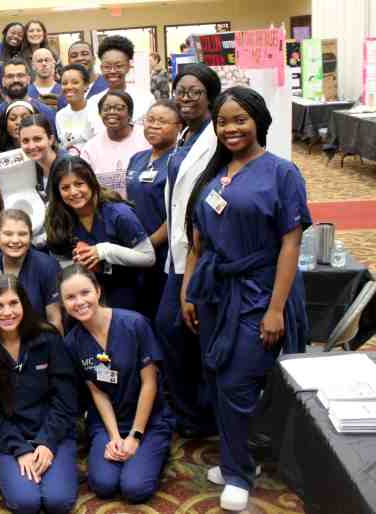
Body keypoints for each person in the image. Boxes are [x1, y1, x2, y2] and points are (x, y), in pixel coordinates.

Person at [182, 87, 310, 512]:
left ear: (258, 121)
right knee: (218, 380)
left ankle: (239, 473)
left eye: (240, 119)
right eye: (222, 121)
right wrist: (188, 292)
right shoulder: (216, 174)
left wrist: (276, 309)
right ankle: (238, 459)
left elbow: (290, 245)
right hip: (216, 294)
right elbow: (198, 242)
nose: (230, 128)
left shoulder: (281, 172)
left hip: (259, 292)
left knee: (239, 382)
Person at [0, 274, 79, 514]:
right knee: (26, 503)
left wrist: (47, 442)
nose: (7, 312)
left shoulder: (47, 338)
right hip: (8, 438)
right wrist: (20, 449)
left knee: (58, 502)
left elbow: (66, 398)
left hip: (53, 432)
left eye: (13, 303)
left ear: (24, 304)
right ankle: (4, 467)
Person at [59, 264, 173, 503]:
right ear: (63, 303)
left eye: (85, 293)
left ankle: (155, 449)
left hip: (148, 422)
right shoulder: (72, 343)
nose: (79, 302)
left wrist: (135, 436)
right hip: (108, 421)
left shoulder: (135, 324)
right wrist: (114, 437)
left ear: (98, 291)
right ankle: (122, 447)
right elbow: (97, 392)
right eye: (70, 297)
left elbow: (149, 384)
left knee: (135, 488)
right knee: (103, 485)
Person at [155, 63, 220, 439]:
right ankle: (191, 414)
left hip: (200, 254)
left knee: (185, 329)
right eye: (180, 90)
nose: (185, 98)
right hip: (178, 252)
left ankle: (202, 416)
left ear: (210, 96)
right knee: (174, 330)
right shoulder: (185, 135)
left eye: (195, 92)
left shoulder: (215, 137)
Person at [45, 155, 154, 311]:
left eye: (79, 184)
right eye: (65, 188)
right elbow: (59, 258)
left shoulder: (118, 214)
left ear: (91, 183)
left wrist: (104, 251)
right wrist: (82, 265)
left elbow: (148, 257)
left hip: (129, 293)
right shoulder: (59, 217)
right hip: (86, 298)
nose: (73, 192)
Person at [126, 100, 183, 321]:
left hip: (163, 253)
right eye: (150, 120)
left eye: (162, 121)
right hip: (135, 252)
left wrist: (148, 244)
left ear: (179, 126)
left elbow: (177, 214)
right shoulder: (137, 158)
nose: (154, 126)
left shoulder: (179, 161)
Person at [0, 209, 62, 332]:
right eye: (8, 234)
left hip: (38, 340)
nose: (15, 240)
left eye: (22, 234)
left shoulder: (47, 266)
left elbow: (54, 319)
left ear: (31, 236)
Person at [82, 90, 150, 198]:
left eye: (119, 108)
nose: (112, 112)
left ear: (130, 113)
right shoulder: (90, 148)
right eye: (106, 108)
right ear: (100, 114)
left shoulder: (147, 137)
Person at [87, 35, 155, 123]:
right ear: (101, 68)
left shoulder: (145, 99)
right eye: (107, 66)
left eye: (118, 66)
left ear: (129, 67)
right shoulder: (93, 102)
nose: (112, 71)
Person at [0, 58, 58, 141]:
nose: (15, 80)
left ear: (28, 79)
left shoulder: (47, 112)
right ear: (3, 81)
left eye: (20, 75)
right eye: (10, 76)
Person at [18, 115, 67, 200]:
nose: (31, 146)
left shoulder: (67, 167)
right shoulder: (31, 166)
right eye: (25, 141)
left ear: (51, 139)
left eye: (37, 139)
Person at [56, 64, 96, 155]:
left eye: (75, 82)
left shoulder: (96, 110)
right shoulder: (60, 116)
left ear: (86, 85)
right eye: (64, 83)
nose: (69, 87)